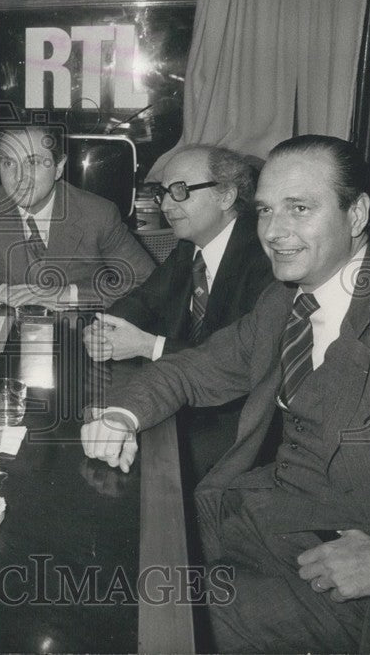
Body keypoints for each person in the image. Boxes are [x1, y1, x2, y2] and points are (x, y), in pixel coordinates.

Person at [81, 135, 370, 652]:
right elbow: (193, 369)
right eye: (266, 210)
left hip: (363, 592)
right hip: (258, 517)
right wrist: (121, 412)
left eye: (300, 209)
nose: (274, 232)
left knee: (143, 623)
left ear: (357, 213)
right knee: (104, 555)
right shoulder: (285, 302)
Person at [83, 145, 274, 479]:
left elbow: (235, 359)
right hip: (178, 394)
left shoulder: (264, 259)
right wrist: (104, 328)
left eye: (180, 192)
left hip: (235, 419)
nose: (167, 205)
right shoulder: (190, 247)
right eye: (163, 193)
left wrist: (147, 345)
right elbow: (144, 300)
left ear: (226, 195)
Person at [0, 124, 156, 310]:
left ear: (58, 167)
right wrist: (0, 292)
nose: (19, 178)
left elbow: (147, 281)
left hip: (75, 340)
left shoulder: (97, 213)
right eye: (8, 163)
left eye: (33, 162)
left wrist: (67, 294)